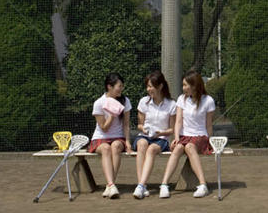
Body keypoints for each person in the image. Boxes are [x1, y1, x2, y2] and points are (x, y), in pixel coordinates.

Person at [159, 70, 215, 199]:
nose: (183, 88)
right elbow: (178, 122)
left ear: (194, 85)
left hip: (200, 136)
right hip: (185, 136)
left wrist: (210, 141)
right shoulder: (181, 99)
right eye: (183, 85)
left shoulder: (208, 101)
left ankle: (202, 185)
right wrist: (177, 138)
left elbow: (208, 125)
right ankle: (164, 185)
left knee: (189, 147)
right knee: (178, 148)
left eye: (185, 85)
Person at [132, 71, 177, 199]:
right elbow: (139, 125)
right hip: (145, 135)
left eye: (151, 86)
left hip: (161, 138)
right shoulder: (143, 102)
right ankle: (142, 185)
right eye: (147, 86)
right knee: (141, 144)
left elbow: (172, 129)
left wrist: (161, 133)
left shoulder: (171, 104)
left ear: (160, 86)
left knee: (151, 150)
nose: (149, 89)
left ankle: (140, 185)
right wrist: (144, 130)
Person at [89, 72, 133, 198]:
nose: (121, 89)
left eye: (122, 86)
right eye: (119, 86)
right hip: (100, 137)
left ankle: (110, 185)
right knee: (106, 148)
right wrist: (112, 115)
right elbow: (104, 128)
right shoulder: (99, 103)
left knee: (116, 146)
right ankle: (111, 184)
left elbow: (126, 125)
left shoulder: (125, 101)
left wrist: (128, 142)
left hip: (118, 137)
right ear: (109, 86)